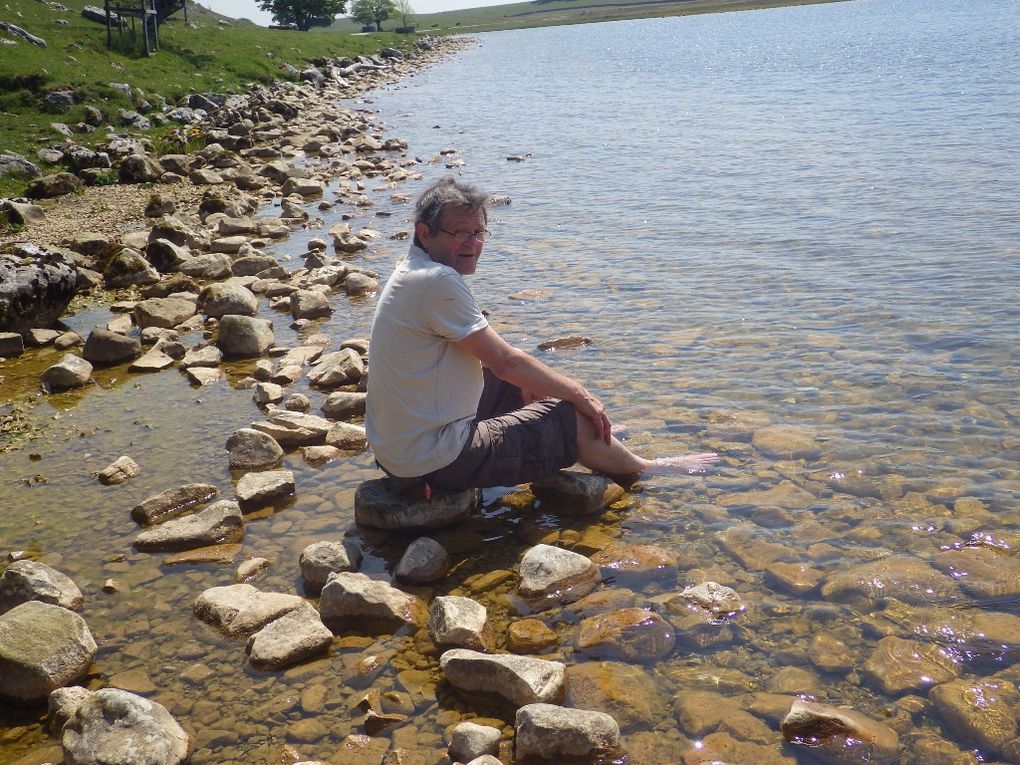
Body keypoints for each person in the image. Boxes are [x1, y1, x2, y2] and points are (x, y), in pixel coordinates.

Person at [365, 176, 717, 496]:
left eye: (478, 233)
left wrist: (536, 384)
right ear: (425, 233)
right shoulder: (438, 282)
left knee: (523, 381)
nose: (472, 243)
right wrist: (581, 397)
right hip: (436, 464)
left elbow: (495, 358)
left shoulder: (411, 269)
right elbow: (507, 361)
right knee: (570, 411)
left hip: (399, 453)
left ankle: (589, 439)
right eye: (459, 233)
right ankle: (643, 466)